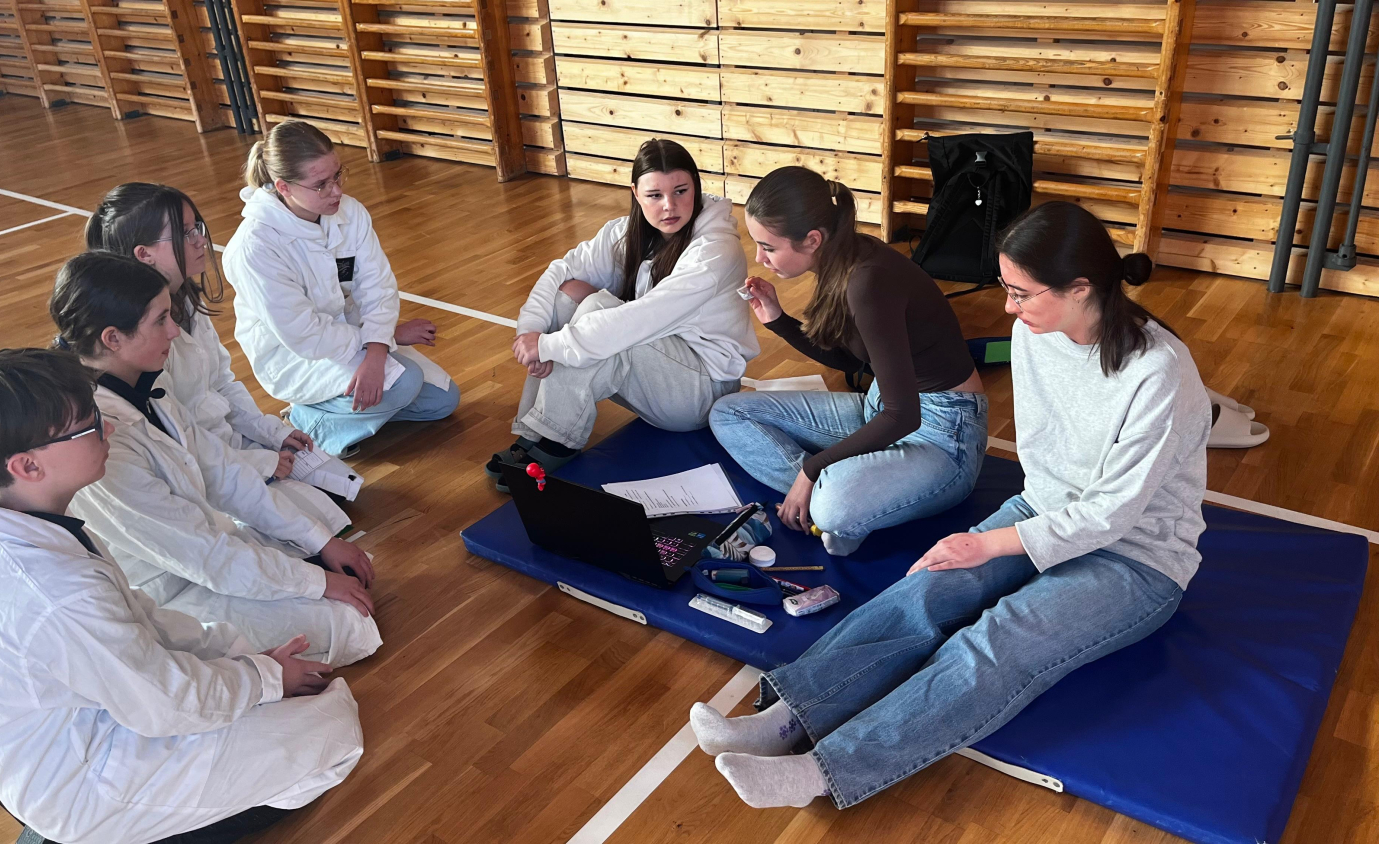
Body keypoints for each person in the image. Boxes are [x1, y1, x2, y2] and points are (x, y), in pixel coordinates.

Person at [691, 201, 1211, 811]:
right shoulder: (1033, 334)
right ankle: (783, 720)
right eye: (1006, 289)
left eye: (1021, 294)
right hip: (1043, 511)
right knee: (925, 590)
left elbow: (1110, 515)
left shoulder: (1160, 372)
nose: (1008, 308)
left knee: (998, 640)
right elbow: (1045, 461)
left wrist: (987, 543)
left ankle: (822, 771)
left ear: (1080, 288)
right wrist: (992, 545)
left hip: (1135, 558)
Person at [0, 347, 363, 844]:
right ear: (28, 465)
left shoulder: (10, 518)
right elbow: (164, 700)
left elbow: (138, 618)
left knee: (284, 691)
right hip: (86, 783)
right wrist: (265, 678)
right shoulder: (46, 586)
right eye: (88, 426)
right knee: (334, 729)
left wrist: (247, 662)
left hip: (95, 719)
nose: (107, 428)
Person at [52, 250, 381, 667]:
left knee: (334, 556)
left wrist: (321, 544)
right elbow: (202, 556)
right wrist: (318, 582)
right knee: (348, 622)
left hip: (203, 549)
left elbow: (226, 475)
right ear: (112, 339)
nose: (174, 331)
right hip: (168, 587)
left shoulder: (144, 387)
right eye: (160, 321)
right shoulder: (99, 441)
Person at [709, 167, 987, 556]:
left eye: (768, 247)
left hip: (943, 434)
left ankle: (830, 497)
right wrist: (778, 319)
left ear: (812, 239)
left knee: (833, 507)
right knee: (728, 414)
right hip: (881, 406)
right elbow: (854, 361)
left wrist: (812, 469)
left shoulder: (868, 279)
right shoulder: (842, 257)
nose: (759, 258)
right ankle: (836, 494)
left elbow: (904, 417)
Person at [484, 138, 758, 487]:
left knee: (600, 311)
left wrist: (549, 346)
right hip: (661, 368)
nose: (669, 206)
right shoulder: (626, 232)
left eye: (681, 191)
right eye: (654, 195)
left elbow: (641, 320)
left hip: (700, 393)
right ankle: (535, 430)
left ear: (696, 186)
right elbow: (561, 272)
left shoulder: (715, 249)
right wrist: (531, 331)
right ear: (635, 193)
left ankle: (557, 438)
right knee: (570, 294)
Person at [86, 181, 364, 513]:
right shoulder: (142, 342)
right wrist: (258, 462)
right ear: (144, 254)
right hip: (201, 464)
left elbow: (221, 382)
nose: (201, 240)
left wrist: (270, 433)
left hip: (228, 439)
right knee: (314, 519)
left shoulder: (187, 302)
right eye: (186, 233)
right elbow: (181, 440)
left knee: (339, 488)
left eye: (197, 227)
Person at [222, 119, 459, 458]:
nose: (336, 191)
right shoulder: (254, 247)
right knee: (405, 382)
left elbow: (378, 288)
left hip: (352, 336)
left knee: (443, 401)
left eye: (337, 175)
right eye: (321, 185)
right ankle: (305, 421)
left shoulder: (350, 213)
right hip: (297, 356)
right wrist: (382, 341)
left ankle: (343, 410)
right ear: (284, 187)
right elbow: (305, 335)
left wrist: (380, 344)